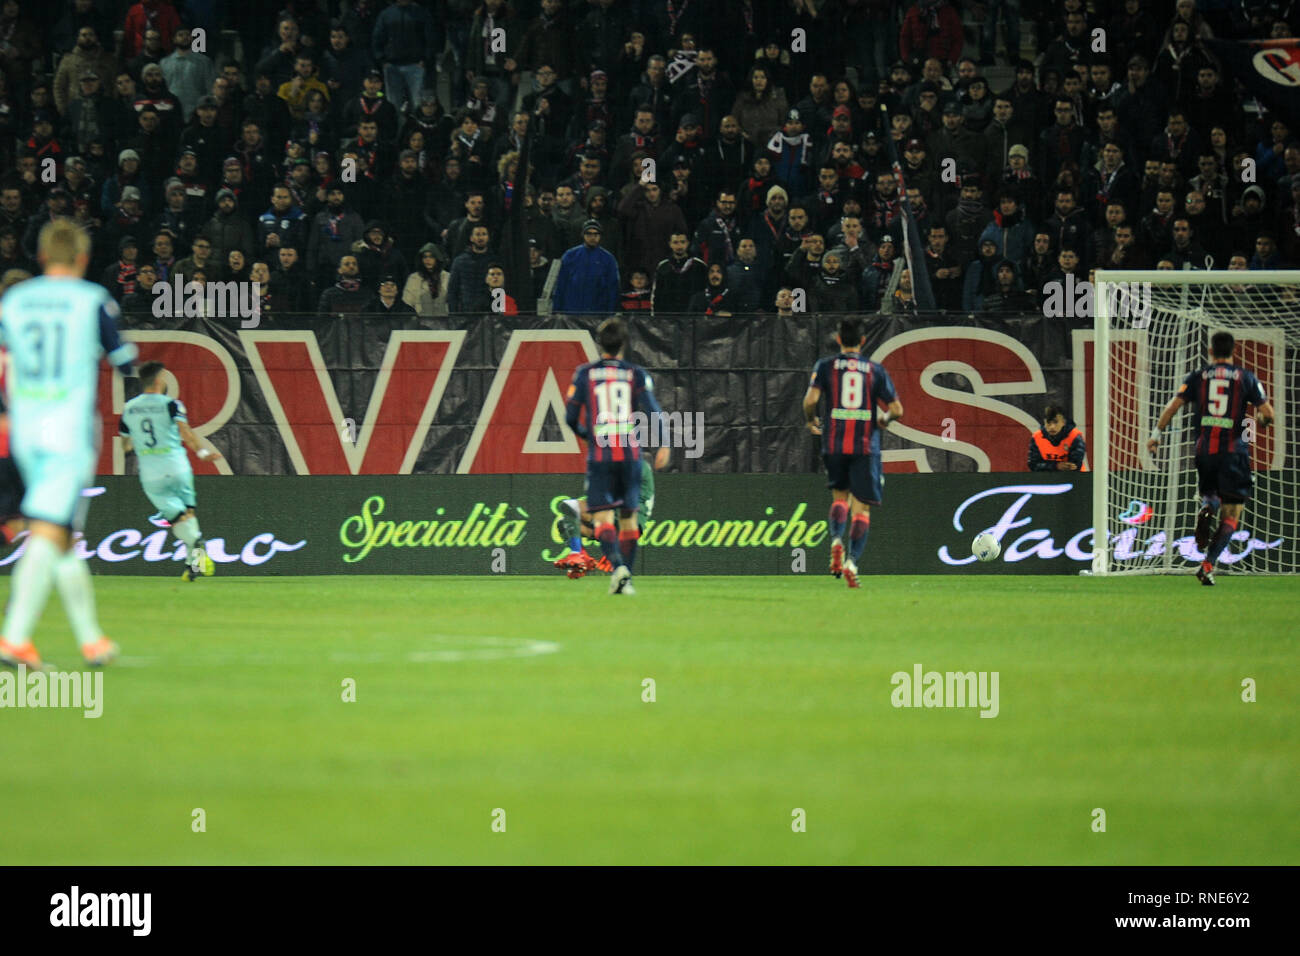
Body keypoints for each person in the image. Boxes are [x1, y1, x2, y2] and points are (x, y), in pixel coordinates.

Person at [0, 221, 137, 670]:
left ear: (40, 258)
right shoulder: (91, 300)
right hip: (67, 431)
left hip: (24, 433)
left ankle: (92, 640)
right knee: (50, 531)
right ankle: (14, 637)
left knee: (61, 538)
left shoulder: (14, 301)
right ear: (81, 258)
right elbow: (125, 361)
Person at [1147, 331, 1275, 586]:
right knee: (1232, 513)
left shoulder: (1198, 376)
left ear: (1210, 351)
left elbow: (1174, 406)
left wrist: (1156, 435)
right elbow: (1267, 414)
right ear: (1234, 350)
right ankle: (1207, 565)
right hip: (1233, 452)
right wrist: (1263, 421)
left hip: (1204, 450)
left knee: (1212, 495)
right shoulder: (1246, 377)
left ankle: (1209, 506)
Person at [802, 317, 904, 590]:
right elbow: (896, 409)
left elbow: (810, 401)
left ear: (838, 340)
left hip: (834, 443)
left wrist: (811, 420)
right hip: (864, 446)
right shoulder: (874, 370)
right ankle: (852, 562)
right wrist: (882, 420)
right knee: (862, 508)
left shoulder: (826, 366)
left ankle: (836, 539)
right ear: (863, 341)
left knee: (839, 497)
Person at [563, 317, 662, 595]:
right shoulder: (636, 373)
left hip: (602, 455)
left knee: (603, 519)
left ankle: (618, 568)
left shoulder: (585, 373)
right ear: (624, 344)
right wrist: (664, 444)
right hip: (631, 455)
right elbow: (654, 411)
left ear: (599, 343)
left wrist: (587, 436)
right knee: (629, 520)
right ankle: (624, 578)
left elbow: (570, 417)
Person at [119, 361, 222, 582]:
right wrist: (203, 454)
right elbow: (186, 433)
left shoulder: (129, 409)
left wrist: (138, 444)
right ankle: (193, 563)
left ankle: (196, 548)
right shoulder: (172, 404)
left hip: (151, 471)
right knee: (188, 515)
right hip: (177, 465)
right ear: (158, 381)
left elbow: (125, 445)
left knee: (178, 519)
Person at [551, 219, 619, 317]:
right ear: (583, 235)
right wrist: (557, 309)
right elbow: (561, 283)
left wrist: (611, 313)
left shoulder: (608, 259)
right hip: (572, 311)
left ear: (600, 236)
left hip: (598, 312)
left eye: (596, 234)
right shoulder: (570, 255)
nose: (592, 237)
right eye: (589, 234)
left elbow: (613, 288)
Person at [1028, 405, 1088, 472]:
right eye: (1048, 423)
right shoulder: (1036, 437)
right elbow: (1033, 465)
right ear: (1044, 422)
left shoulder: (1075, 436)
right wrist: (1056, 466)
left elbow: (1075, 465)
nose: (1052, 427)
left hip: (1075, 478)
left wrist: (1050, 466)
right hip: (1046, 479)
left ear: (1063, 422)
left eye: (1055, 422)